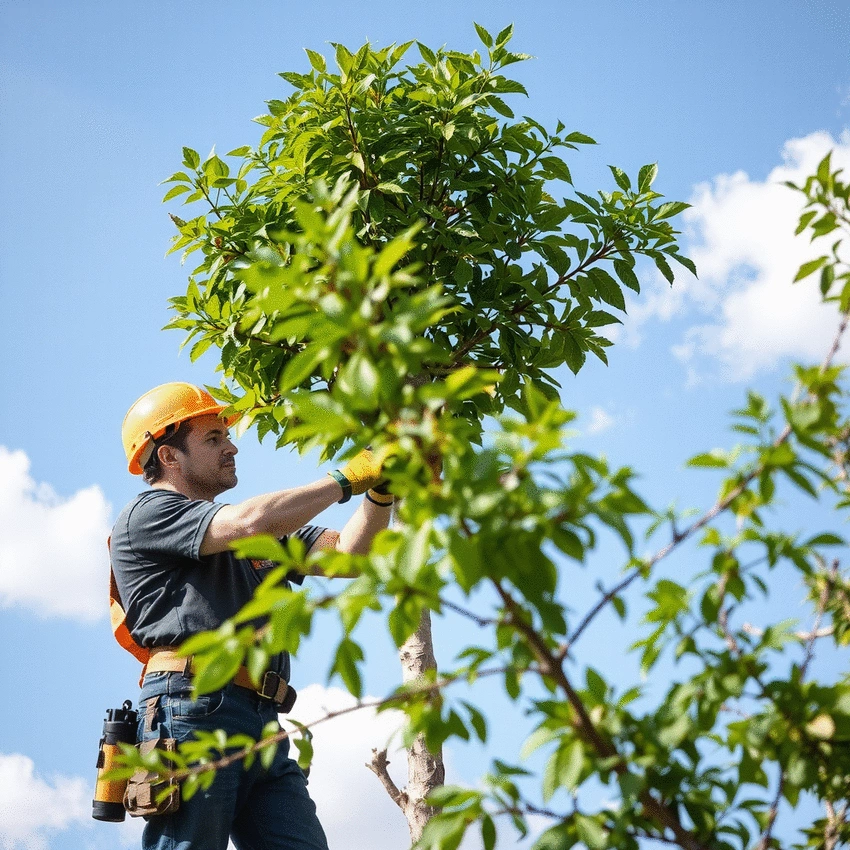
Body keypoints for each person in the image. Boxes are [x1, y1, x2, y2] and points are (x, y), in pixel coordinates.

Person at [110, 382, 392, 850]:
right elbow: (251, 522)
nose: (231, 446)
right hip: (191, 709)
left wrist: (379, 493)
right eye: (214, 439)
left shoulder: (251, 527)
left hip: (262, 720)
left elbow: (349, 555)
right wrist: (349, 476)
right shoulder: (149, 514)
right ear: (168, 457)